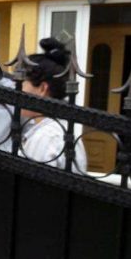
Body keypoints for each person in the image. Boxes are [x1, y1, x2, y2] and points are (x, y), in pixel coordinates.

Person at [20, 38, 88, 173]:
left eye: (22, 83)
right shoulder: (59, 129)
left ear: (42, 89)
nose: (17, 89)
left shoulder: (46, 138)